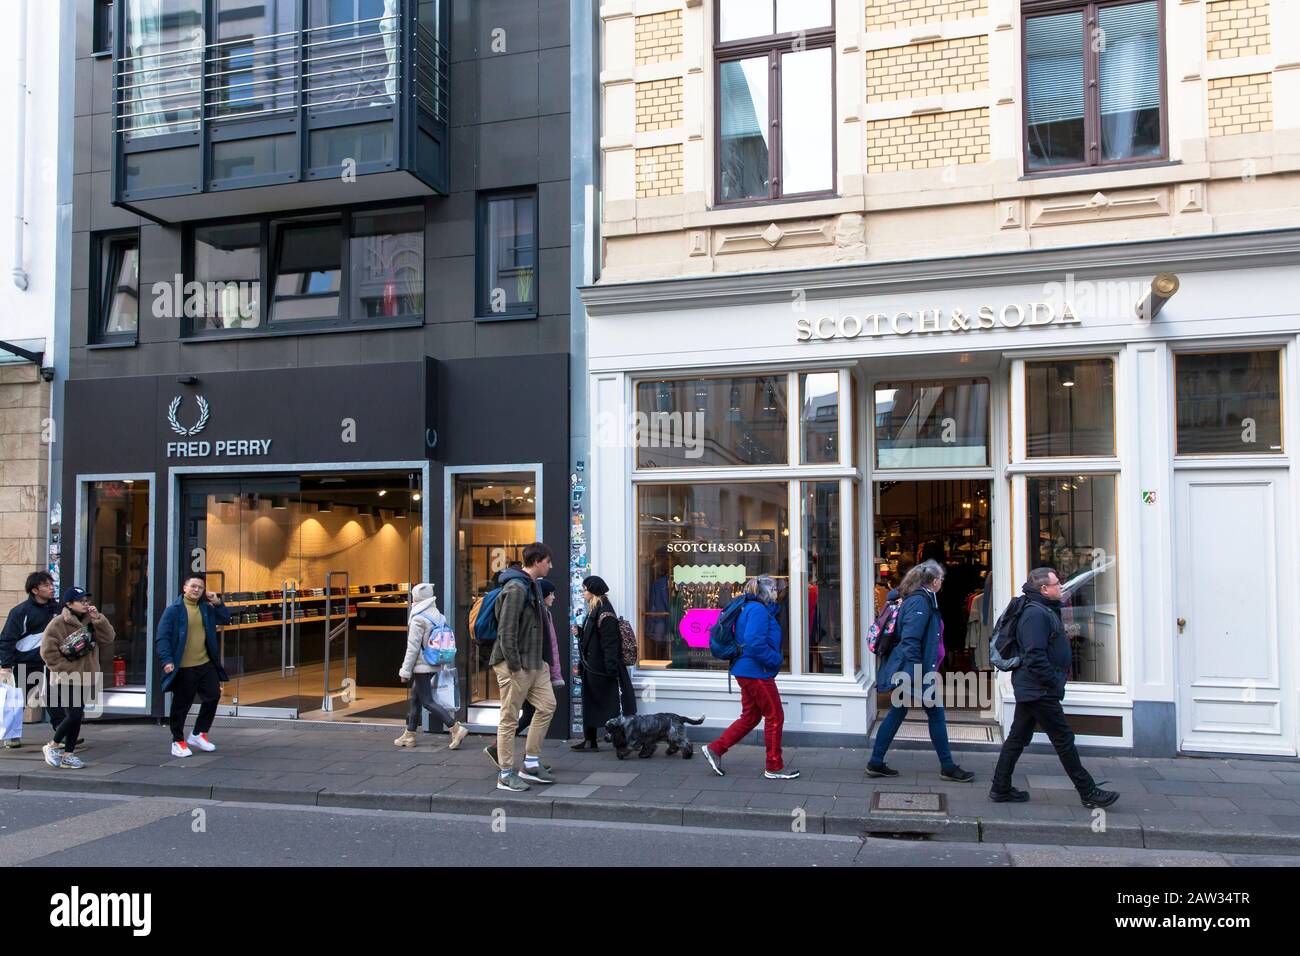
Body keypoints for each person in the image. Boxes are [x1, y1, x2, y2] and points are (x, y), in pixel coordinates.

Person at [990, 568, 1119, 809]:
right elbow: (1034, 654)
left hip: (1034, 687)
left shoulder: (1042, 609)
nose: (1061, 587)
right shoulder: (1035, 614)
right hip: (1038, 688)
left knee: (1017, 739)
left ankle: (1000, 787)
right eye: (1057, 584)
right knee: (1063, 739)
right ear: (1044, 589)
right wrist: (1052, 680)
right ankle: (1088, 791)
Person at [865, 560, 975, 782]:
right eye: (941, 579)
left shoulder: (919, 598)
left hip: (914, 669)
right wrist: (919, 674)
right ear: (934, 581)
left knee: (898, 712)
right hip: (915, 671)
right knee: (935, 714)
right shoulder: (919, 602)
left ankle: (876, 762)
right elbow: (911, 641)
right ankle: (948, 766)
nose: (942, 583)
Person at [701, 576, 800, 780]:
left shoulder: (753, 608)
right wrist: (776, 659)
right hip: (756, 672)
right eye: (774, 589)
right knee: (775, 716)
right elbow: (754, 643)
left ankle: (715, 749)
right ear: (766, 592)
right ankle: (774, 766)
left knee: (751, 716)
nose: (777, 593)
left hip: (747, 670)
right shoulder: (758, 611)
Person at [488, 542, 557, 792]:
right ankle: (505, 774)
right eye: (548, 561)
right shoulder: (516, 588)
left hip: (535, 664)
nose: (550, 565)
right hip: (515, 665)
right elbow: (506, 630)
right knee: (508, 718)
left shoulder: (533, 586)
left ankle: (530, 764)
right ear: (537, 561)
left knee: (548, 706)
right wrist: (514, 666)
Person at [155, 575, 231, 758]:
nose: (197, 590)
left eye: (201, 587)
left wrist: (218, 602)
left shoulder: (205, 608)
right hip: (183, 666)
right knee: (182, 704)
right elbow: (162, 637)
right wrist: (167, 660)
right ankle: (177, 741)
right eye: (193, 586)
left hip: (205, 663)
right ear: (185, 588)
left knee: (213, 696)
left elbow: (225, 619)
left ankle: (198, 733)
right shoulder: (173, 610)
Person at [38, 587, 115, 769]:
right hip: (67, 677)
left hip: (87, 676)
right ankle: (53, 745)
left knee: (77, 716)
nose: (85, 604)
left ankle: (68, 755)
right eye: (81, 601)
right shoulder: (58, 623)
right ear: (69, 604)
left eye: (86, 601)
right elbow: (47, 652)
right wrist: (67, 669)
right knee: (74, 715)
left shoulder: (91, 619)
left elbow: (108, 638)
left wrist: (98, 619)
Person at [395, 582, 469, 750]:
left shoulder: (418, 618)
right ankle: (410, 735)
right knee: (415, 698)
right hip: (435, 661)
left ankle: (455, 728)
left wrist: (405, 671)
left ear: (418, 598)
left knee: (427, 701)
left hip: (422, 666)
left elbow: (413, 648)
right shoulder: (437, 614)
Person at [0, 571, 66, 749]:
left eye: (52, 584)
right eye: (46, 585)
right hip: (24, 663)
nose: (51, 587)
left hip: (49, 663)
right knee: (16, 701)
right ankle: (11, 736)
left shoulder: (58, 609)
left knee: (54, 698)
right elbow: (6, 638)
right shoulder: (20, 611)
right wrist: (5, 665)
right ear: (35, 590)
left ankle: (62, 733)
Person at [570, 576, 634, 751]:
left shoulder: (605, 613)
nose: (583, 593)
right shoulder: (595, 609)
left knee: (609, 707)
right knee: (592, 703)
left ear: (593, 591)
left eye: (585, 589)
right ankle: (590, 740)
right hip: (594, 667)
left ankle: (621, 742)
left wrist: (611, 669)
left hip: (602, 669)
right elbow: (596, 637)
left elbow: (610, 643)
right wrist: (581, 632)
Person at [517, 578, 565, 737]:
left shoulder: (546, 614)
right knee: (532, 712)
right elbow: (549, 647)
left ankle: (527, 755)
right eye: (551, 594)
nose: (554, 597)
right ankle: (499, 746)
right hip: (533, 670)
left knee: (533, 712)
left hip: (538, 669)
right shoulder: (540, 615)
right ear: (544, 595)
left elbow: (551, 647)